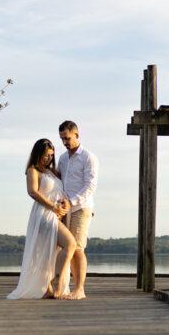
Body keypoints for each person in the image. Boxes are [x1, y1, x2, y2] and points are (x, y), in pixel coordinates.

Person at [6, 139, 78, 300]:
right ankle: (58, 281)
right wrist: (53, 206)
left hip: (58, 214)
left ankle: (48, 288)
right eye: (45, 155)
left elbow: (61, 191)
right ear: (38, 154)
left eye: (51, 156)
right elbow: (32, 192)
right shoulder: (33, 170)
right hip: (44, 214)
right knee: (70, 243)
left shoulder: (52, 172)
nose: (48, 159)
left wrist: (64, 204)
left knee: (51, 252)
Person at [55, 120, 98, 300]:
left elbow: (90, 186)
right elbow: (59, 181)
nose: (65, 142)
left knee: (78, 248)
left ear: (77, 134)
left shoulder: (89, 157)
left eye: (68, 138)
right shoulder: (63, 159)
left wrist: (71, 202)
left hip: (81, 207)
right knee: (66, 247)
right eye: (62, 139)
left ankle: (79, 289)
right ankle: (62, 286)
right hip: (64, 209)